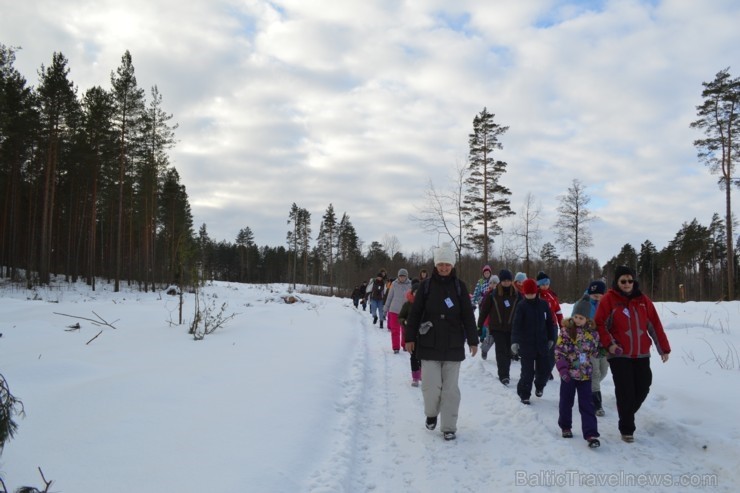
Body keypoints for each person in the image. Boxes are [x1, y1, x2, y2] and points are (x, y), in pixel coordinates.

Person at [405, 243, 478, 441]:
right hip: (429, 344)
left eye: (447, 264)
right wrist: (409, 337)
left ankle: (448, 426)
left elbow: (468, 316)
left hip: (453, 345)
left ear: (452, 265)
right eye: (440, 264)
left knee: (450, 390)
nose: (444, 268)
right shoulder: (426, 286)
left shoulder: (459, 287)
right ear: (435, 265)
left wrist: (473, 340)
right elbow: (415, 314)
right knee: (430, 386)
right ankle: (431, 413)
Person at [595, 266, 671, 443]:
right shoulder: (609, 300)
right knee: (626, 391)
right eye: (623, 281)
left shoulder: (643, 300)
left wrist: (664, 348)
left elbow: (655, 325)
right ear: (617, 282)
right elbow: (600, 324)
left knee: (644, 386)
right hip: (619, 354)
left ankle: (625, 411)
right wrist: (610, 345)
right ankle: (627, 428)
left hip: (642, 353)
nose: (627, 284)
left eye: (630, 280)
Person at [556, 298, 601, 448]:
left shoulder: (592, 335)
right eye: (575, 317)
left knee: (587, 405)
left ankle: (591, 434)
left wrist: (607, 350)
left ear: (587, 319)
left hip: (585, 375)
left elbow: (595, 351)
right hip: (568, 375)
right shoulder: (566, 331)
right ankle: (565, 426)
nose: (577, 320)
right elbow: (559, 351)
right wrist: (562, 369)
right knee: (566, 402)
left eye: (581, 318)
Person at [511, 279, 554, 404]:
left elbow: (549, 323)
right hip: (526, 345)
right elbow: (516, 325)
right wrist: (515, 341)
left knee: (544, 370)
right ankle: (524, 394)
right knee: (527, 373)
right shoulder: (521, 306)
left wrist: (551, 338)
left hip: (542, 343)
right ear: (524, 293)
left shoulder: (544, 305)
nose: (529, 296)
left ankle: (539, 386)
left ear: (536, 292)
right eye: (527, 294)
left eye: (532, 293)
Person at [477, 269, 521, 384]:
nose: (506, 283)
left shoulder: (517, 295)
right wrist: (479, 326)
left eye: (508, 280)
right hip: (497, 328)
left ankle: (506, 371)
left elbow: (524, 310)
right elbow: (484, 311)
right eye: (504, 281)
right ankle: (504, 375)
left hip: (512, 328)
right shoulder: (493, 294)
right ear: (500, 281)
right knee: (501, 351)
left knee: (508, 352)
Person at [572, 280, 608, 416]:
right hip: (588, 343)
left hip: (603, 343)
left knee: (603, 371)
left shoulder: (605, 304)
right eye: (595, 296)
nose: (598, 298)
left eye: (600, 296)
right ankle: (596, 404)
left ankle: (588, 387)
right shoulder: (583, 304)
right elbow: (575, 321)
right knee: (595, 373)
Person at [536, 271, 563, 379]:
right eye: (542, 284)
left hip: (552, 326)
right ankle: (540, 371)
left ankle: (547, 370)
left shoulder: (552, 295)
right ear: (538, 284)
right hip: (541, 327)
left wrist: (562, 325)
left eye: (547, 283)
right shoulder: (536, 295)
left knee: (553, 350)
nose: (545, 286)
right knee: (542, 350)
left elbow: (558, 310)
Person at [399, 280, 422, 386]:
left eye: (419, 292)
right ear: (412, 293)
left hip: (423, 333)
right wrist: (404, 321)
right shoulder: (407, 304)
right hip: (411, 333)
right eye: (415, 292)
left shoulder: (426, 304)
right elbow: (401, 316)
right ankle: (415, 377)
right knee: (413, 356)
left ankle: (422, 373)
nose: (417, 294)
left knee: (422, 355)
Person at [384, 268, 412, 353]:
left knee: (405, 330)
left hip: (405, 312)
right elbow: (389, 297)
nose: (402, 278)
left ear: (406, 276)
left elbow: (413, 298)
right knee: (395, 330)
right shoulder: (394, 284)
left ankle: (404, 345)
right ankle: (396, 347)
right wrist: (385, 309)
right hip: (394, 310)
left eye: (403, 276)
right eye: (400, 276)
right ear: (398, 276)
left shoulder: (410, 285)